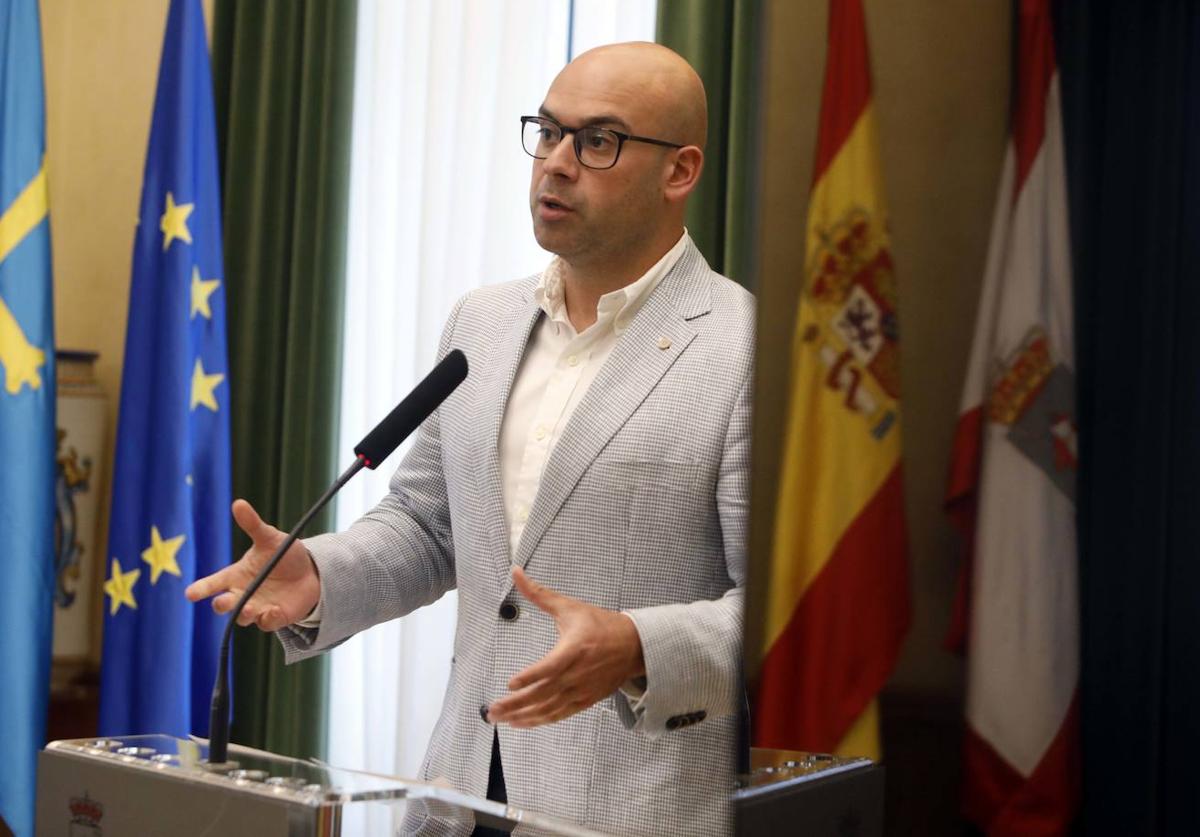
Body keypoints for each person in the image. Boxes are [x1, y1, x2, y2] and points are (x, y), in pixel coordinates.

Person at [187, 41, 753, 837]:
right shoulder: (481, 322)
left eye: (597, 141)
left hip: (626, 810)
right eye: (548, 132)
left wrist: (637, 646)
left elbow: (771, 619)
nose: (556, 163)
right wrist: (319, 572)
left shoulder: (742, 348)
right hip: (460, 795)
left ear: (680, 171)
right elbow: (428, 525)